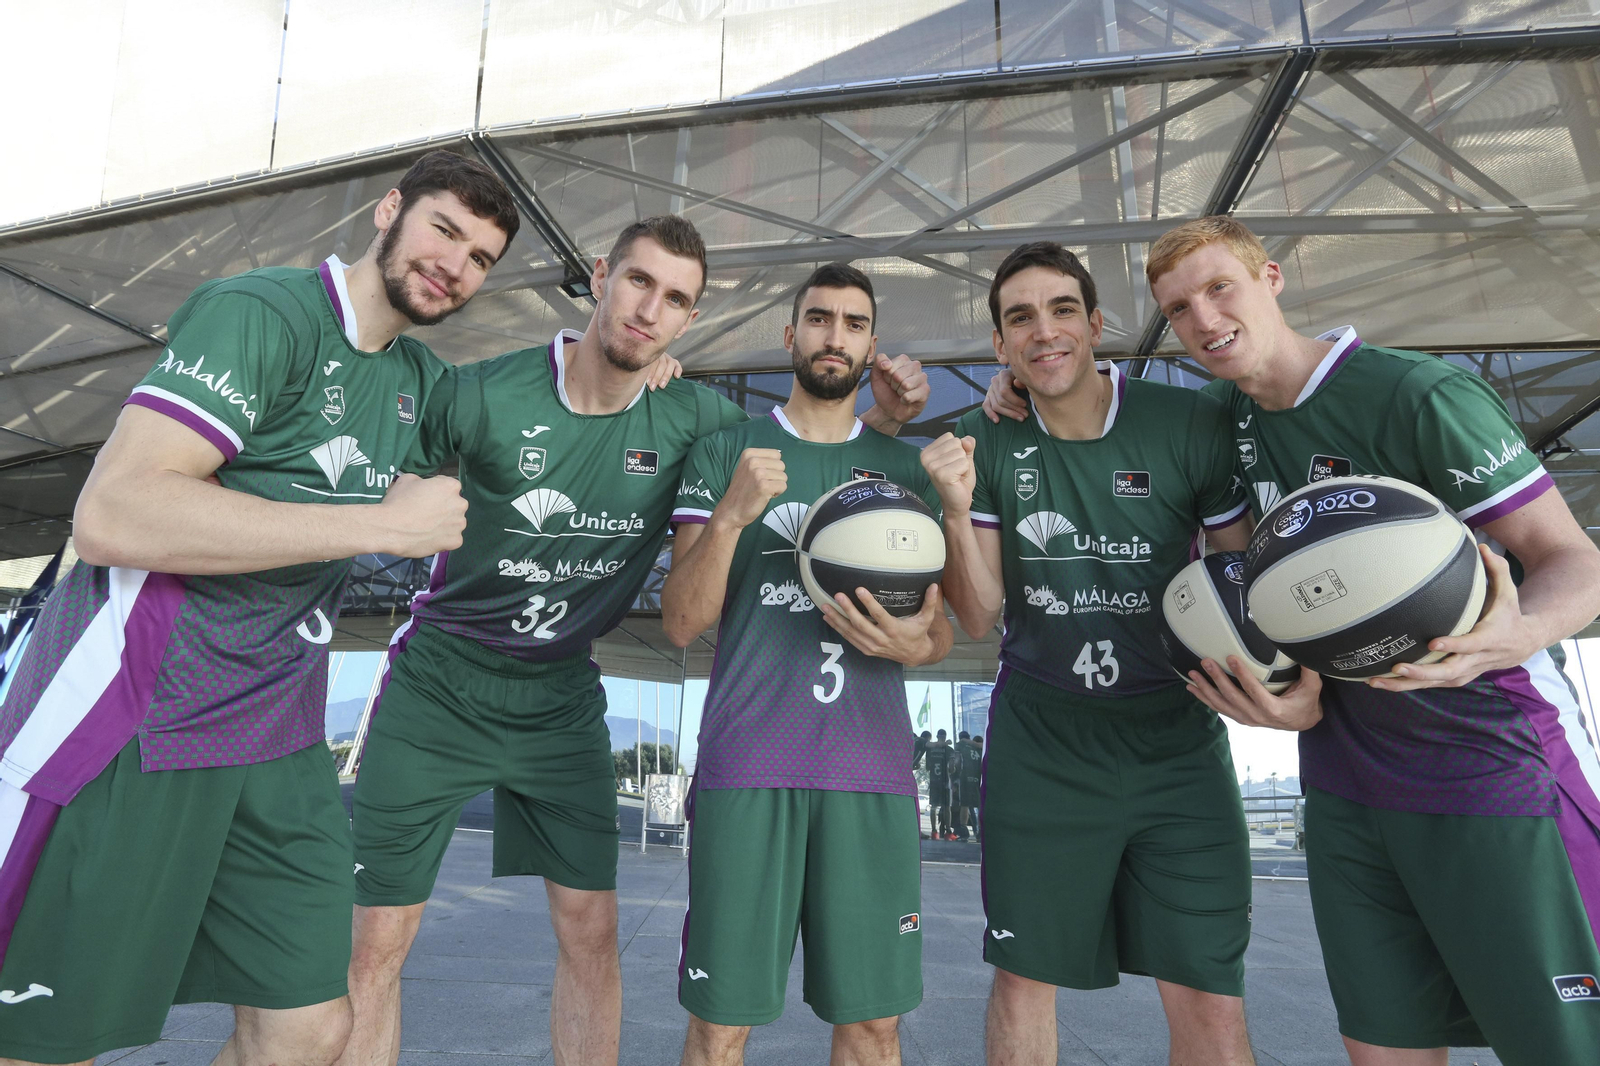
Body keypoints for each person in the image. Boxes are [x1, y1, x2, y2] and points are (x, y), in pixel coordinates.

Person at [341, 225, 930, 1066]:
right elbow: (382, 484)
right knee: (379, 943)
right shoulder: (480, 392)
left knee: (591, 935)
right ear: (599, 276)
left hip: (561, 696)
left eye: (676, 299)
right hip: (441, 683)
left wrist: (884, 416)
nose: (651, 311)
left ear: (691, 320)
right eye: (639, 284)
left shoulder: (697, 416)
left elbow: (810, 444)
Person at [0, 150, 517, 1066]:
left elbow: (554, 413)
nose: (456, 264)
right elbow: (114, 513)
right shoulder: (262, 315)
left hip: (276, 739)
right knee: (49, 1039)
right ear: (389, 211)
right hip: (135, 717)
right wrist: (376, 525)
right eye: (444, 230)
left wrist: (648, 367)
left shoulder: (420, 382)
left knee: (309, 1029)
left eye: (481, 257)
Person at [1144, 215, 1600, 1066]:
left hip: (1492, 761)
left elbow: (1575, 560)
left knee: (1565, 1045)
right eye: (1177, 309)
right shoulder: (1217, 421)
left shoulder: (1415, 396)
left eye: (1219, 289)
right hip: (1349, 784)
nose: (1203, 320)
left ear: (1270, 278)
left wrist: (1519, 632)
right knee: (1385, 1049)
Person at [922, 241, 1256, 1066]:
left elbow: (1242, 584)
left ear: (1097, 323)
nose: (1044, 332)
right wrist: (956, 512)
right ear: (999, 346)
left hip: (1177, 740)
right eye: (1020, 319)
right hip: (1045, 742)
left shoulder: (1193, 421)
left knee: (1211, 997)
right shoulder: (979, 441)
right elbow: (978, 613)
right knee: (1024, 982)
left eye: (1062, 310)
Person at [662, 262, 953, 1066]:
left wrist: (912, 645)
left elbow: (940, 636)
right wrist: (730, 517)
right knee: (721, 1024)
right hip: (748, 770)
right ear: (791, 336)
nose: (835, 336)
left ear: (871, 347)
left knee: (873, 1026)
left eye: (854, 324)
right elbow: (683, 621)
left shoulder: (904, 472)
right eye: (819, 320)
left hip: (871, 774)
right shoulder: (728, 450)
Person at [952, 731, 982, 842]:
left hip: (965, 777)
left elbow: (957, 761)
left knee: (964, 805)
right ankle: (980, 832)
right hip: (978, 777)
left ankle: (964, 833)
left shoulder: (960, 745)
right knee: (979, 805)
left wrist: (956, 776)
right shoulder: (978, 747)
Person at [926, 729, 954, 839]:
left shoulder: (931, 750)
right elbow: (951, 768)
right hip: (945, 782)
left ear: (937, 736)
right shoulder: (949, 750)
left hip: (933, 781)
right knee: (947, 807)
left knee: (933, 807)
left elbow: (928, 767)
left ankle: (934, 831)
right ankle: (948, 831)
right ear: (945, 736)